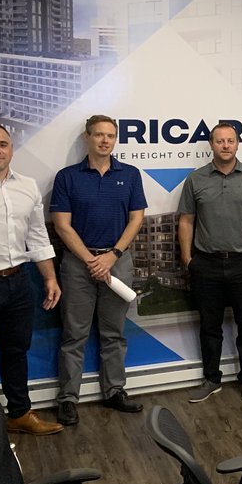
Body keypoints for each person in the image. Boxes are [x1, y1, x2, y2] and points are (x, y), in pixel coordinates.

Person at [0, 123, 62, 435]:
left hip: (18, 283)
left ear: (12, 149)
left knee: (16, 352)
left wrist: (49, 278)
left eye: (3, 144)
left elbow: (37, 235)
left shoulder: (27, 186)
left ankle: (19, 414)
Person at [51, 115, 146, 425]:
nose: (105, 140)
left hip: (117, 262)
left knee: (114, 333)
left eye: (110, 136)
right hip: (78, 265)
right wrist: (92, 261)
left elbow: (136, 219)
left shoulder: (130, 175)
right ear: (87, 138)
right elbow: (62, 225)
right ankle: (68, 398)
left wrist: (112, 255)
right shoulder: (67, 177)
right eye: (99, 135)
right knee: (74, 334)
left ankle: (114, 391)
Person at [178, 122, 242, 404]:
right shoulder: (195, 179)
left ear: (237, 144)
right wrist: (188, 259)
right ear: (211, 145)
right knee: (209, 327)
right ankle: (211, 379)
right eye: (220, 141)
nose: (225, 145)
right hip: (206, 264)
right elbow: (186, 221)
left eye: (230, 141)